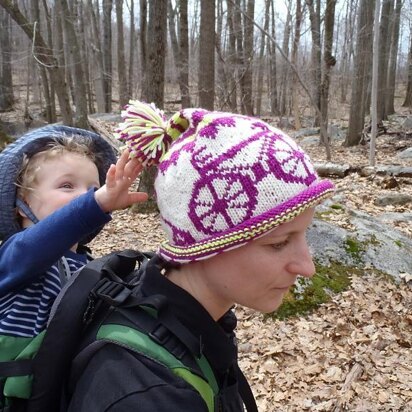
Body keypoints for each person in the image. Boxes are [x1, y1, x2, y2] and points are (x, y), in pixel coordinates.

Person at [66, 102, 335, 411]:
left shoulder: (192, 322)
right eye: (278, 243)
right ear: (204, 244)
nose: (307, 267)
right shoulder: (146, 394)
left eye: (304, 235)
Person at [0, 125, 147, 338]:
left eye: (93, 190)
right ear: (23, 202)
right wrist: (96, 202)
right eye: (67, 185)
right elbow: (42, 241)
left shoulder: (87, 264)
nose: (84, 196)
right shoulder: (14, 255)